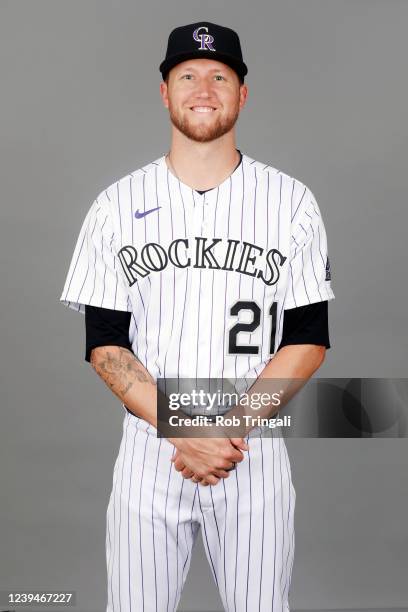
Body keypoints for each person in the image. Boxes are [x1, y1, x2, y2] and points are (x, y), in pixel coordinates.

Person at [60, 21, 335, 612]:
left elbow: (308, 339)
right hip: (150, 453)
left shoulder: (292, 203)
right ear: (165, 92)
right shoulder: (115, 207)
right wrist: (189, 429)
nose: (203, 87)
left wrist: (226, 431)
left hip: (251, 450)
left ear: (242, 93)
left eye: (219, 75)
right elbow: (106, 345)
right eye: (187, 75)